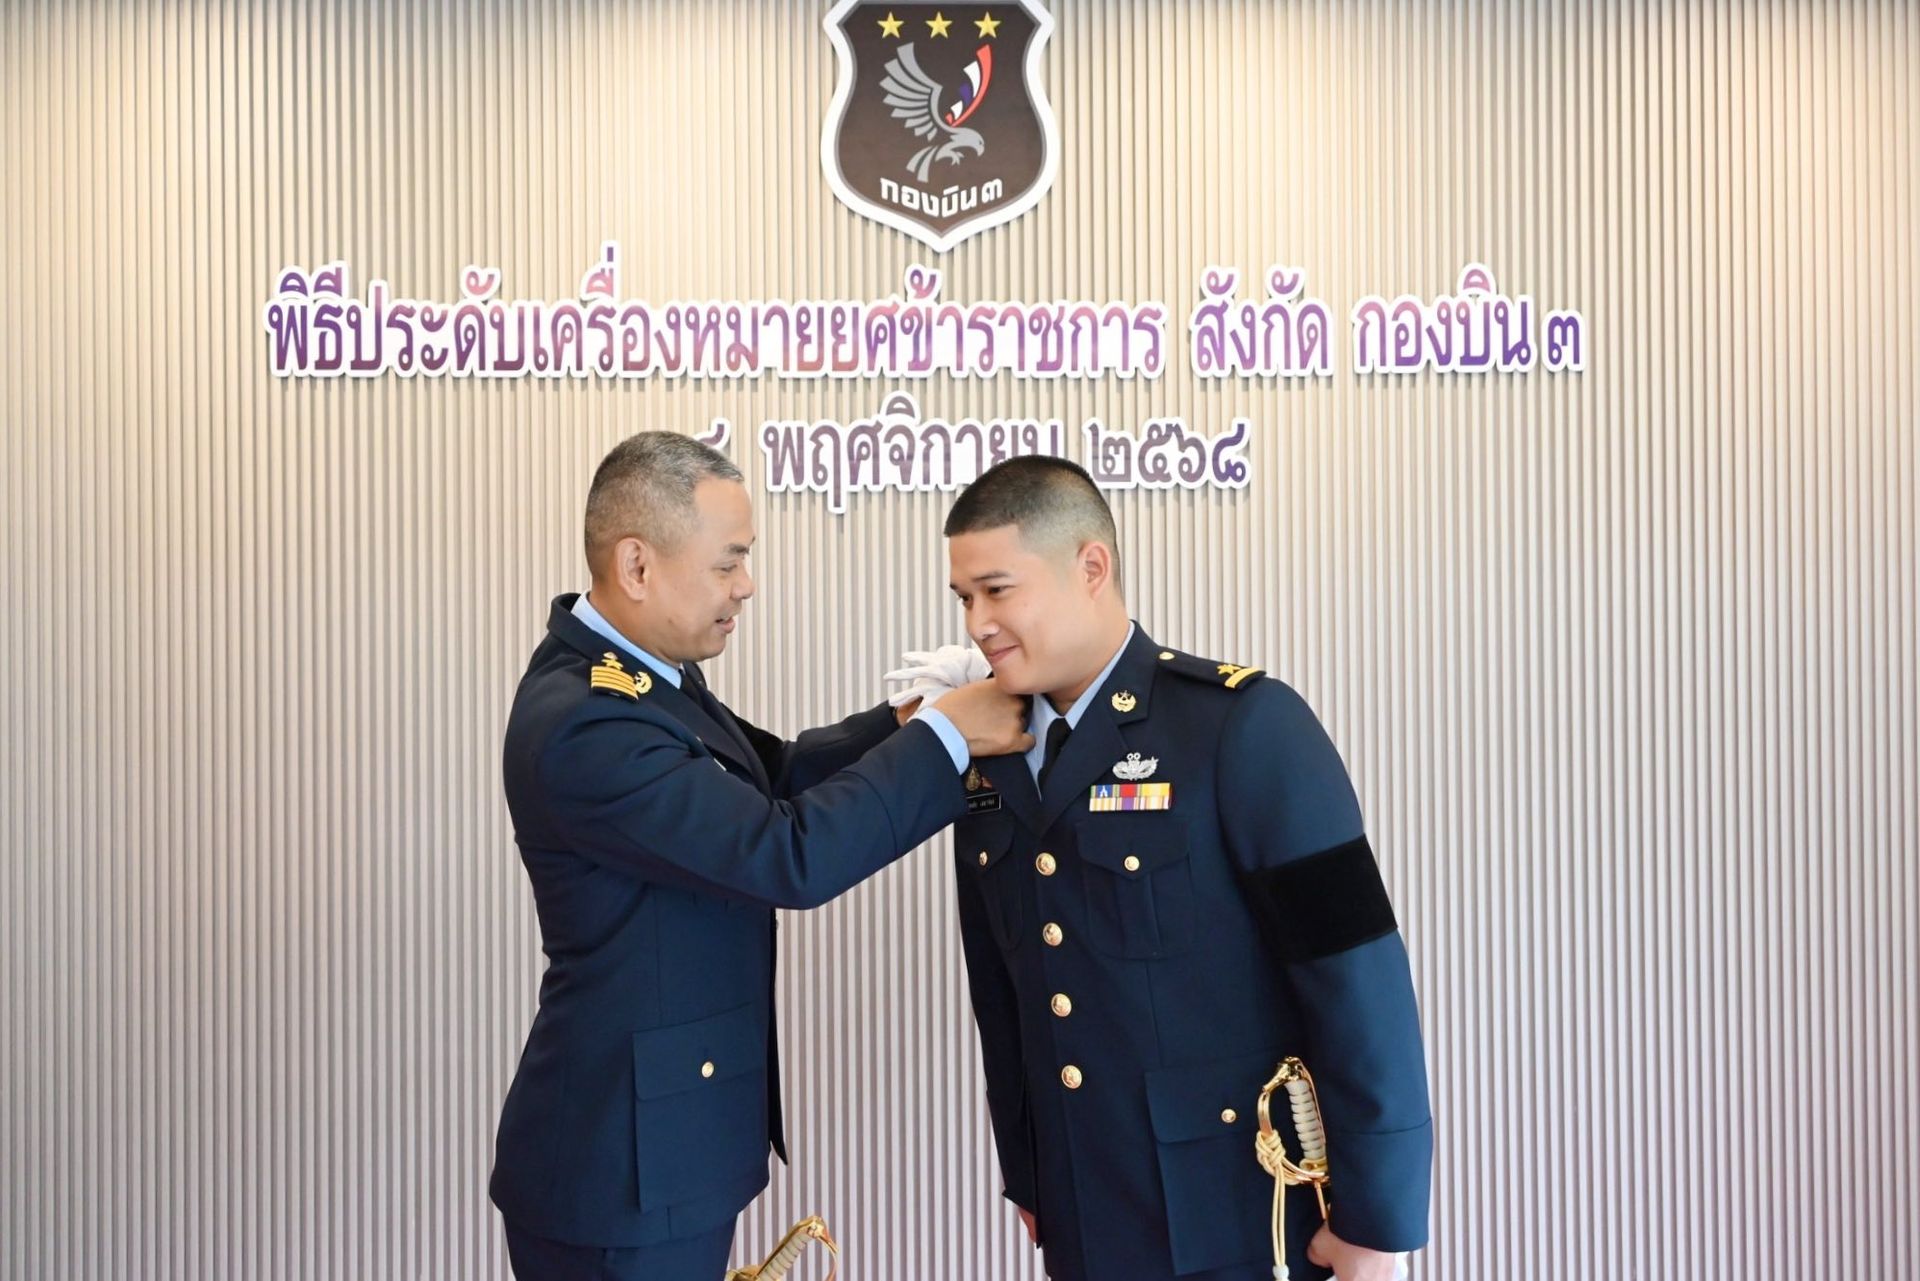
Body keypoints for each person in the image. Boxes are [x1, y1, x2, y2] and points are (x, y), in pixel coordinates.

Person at [491, 431, 1029, 1280]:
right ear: (637, 565)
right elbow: (784, 853)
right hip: (621, 1177)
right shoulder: (588, 720)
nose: (746, 584)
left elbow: (767, 774)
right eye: (728, 561)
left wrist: (905, 721)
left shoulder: (639, 673)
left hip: (665, 1149)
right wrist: (945, 740)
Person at [940, 456, 1431, 1281]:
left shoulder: (1242, 725)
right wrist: (1029, 1169)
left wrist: (1376, 1220)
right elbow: (1001, 987)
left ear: (1091, 566)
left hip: (1240, 1209)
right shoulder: (988, 753)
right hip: (1085, 1208)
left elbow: (1357, 975)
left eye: (997, 590)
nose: (978, 624)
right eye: (964, 598)